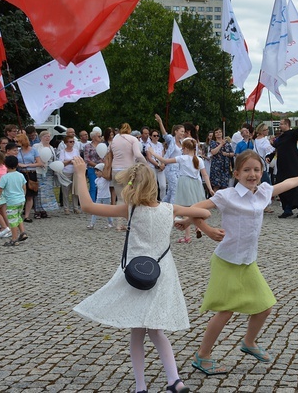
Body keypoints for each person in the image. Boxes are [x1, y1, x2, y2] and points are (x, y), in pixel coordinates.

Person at [71, 157, 209, 393]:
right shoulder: (169, 209)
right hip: (162, 275)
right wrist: (184, 220)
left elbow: (87, 206)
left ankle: (141, 386)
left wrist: (80, 173)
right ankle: (174, 380)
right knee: (155, 330)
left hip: (136, 274)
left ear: (132, 186)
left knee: (137, 330)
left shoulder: (130, 209)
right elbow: (203, 212)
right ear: (154, 185)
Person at [184, 151, 298, 375]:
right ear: (236, 173)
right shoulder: (226, 196)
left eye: (256, 170)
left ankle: (249, 343)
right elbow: (195, 208)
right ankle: (202, 356)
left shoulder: (263, 192)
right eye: (246, 170)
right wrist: (208, 229)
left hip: (247, 261)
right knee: (225, 311)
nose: (252, 174)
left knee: (265, 305)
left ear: (262, 173)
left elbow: (287, 183)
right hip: (227, 260)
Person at [150, 139, 213, 243]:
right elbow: (205, 175)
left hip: (184, 183)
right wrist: (210, 189)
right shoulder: (199, 160)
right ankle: (198, 227)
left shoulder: (182, 158)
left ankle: (187, 236)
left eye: (183, 148)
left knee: (185, 209)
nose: (181, 150)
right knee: (196, 207)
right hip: (196, 185)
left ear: (187, 149)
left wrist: (153, 154)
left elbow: (165, 161)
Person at [0, 155, 29, 247]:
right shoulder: (20, 175)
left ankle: (14, 239)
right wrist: (23, 196)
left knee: (12, 220)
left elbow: (0, 190)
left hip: (12, 201)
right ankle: (23, 232)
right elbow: (24, 187)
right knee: (18, 216)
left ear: (5, 165)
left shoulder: (5, 177)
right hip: (21, 200)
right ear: (17, 164)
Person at [155, 114, 185, 204]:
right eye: (181, 131)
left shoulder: (183, 142)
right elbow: (164, 134)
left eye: (183, 132)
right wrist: (160, 122)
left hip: (179, 169)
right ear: (176, 131)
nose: (183, 133)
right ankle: (172, 211)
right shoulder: (171, 140)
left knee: (171, 191)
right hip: (170, 168)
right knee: (175, 189)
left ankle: (161, 206)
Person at [16, 133, 43, 222]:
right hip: (21, 173)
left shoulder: (33, 150)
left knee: (30, 195)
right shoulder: (17, 151)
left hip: (31, 173)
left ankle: (27, 215)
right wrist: (19, 165)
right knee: (20, 194)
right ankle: (18, 214)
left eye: (18, 141)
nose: (16, 142)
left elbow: (39, 163)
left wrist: (27, 165)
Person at [34, 131, 59, 217]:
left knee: (48, 190)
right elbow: (34, 157)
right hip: (40, 170)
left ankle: (45, 209)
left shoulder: (51, 147)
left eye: (49, 136)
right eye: (45, 136)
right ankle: (38, 210)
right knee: (40, 191)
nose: (47, 138)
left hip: (49, 171)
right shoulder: (36, 146)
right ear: (41, 137)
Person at [58, 135, 82, 214]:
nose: (72, 143)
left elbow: (79, 160)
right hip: (66, 172)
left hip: (75, 172)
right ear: (66, 143)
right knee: (65, 191)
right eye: (70, 141)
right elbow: (61, 163)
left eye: (73, 141)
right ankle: (66, 208)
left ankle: (75, 207)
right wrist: (70, 161)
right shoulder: (63, 152)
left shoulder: (76, 151)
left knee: (75, 191)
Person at [88, 163, 114, 229]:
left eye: (98, 171)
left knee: (107, 211)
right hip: (99, 197)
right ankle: (92, 224)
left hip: (106, 197)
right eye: (95, 171)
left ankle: (110, 222)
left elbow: (110, 176)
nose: (96, 172)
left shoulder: (106, 179)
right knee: (95, 210)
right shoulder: (96, 180)